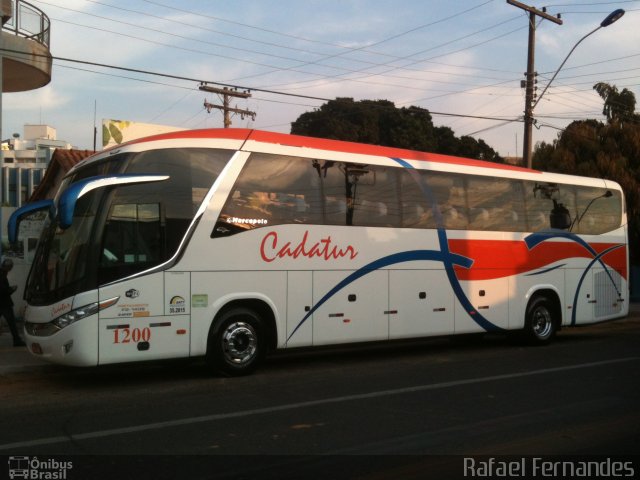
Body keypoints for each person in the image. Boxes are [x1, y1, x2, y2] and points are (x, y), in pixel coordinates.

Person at [0, 258, 25, 347]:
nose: (10, 270)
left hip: (3, 303)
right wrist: (12, 289)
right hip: (4, 304)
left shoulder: (3, 273)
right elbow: (2, 290)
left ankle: (17, 340)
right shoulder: (2, 274)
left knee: (12, 323)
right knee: (12, 323)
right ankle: (17, 340)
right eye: (10, 267)